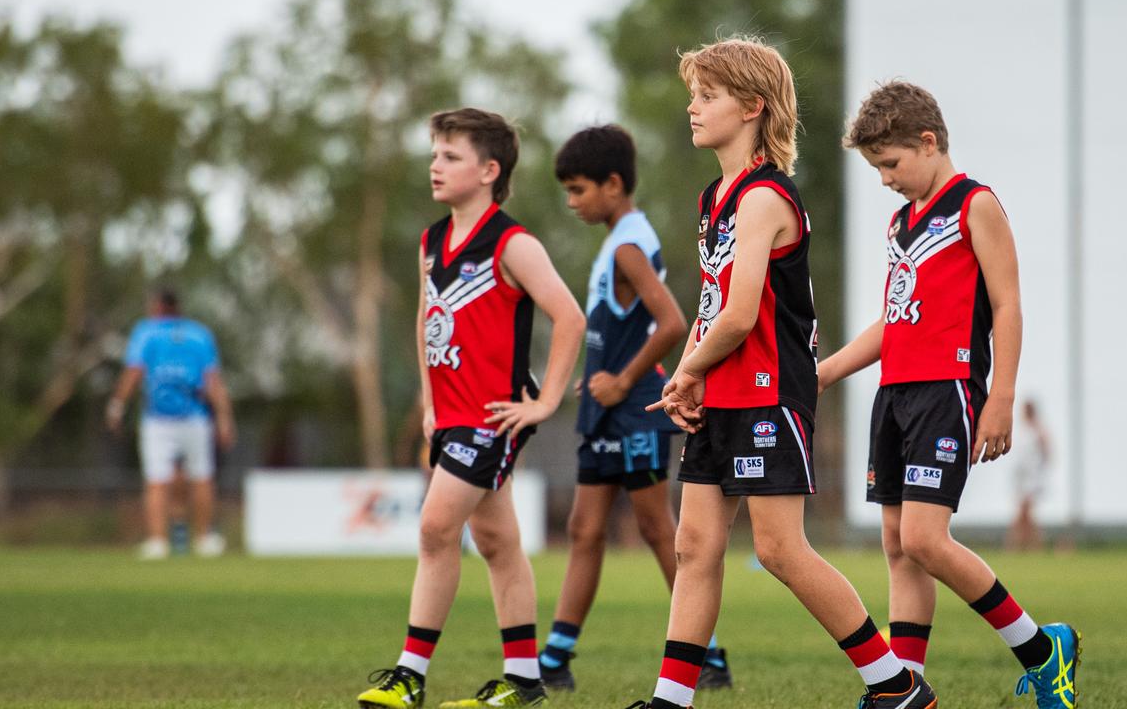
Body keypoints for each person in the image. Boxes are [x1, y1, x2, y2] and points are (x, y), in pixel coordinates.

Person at [629, 38, 936, 709]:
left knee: (779, 551)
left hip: (770, 397)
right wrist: (696, 381)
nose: (693, 107)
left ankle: (897, 686)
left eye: (708, 95)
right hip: (725, 393)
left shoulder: (765, 197)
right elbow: (715, 309)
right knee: (695, 546)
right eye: (695, 94)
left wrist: (683, 372)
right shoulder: (715, 196)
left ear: (752, 108)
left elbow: (739, 319)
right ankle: (670, 701)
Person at [819, 80, 1077, 707]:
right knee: (897, 545)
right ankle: (905, 688)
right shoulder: (900, 223)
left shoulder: (975, 205)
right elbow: (893, 319)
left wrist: (1001, 395)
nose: (884, 179)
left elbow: (1007, 304)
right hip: (895, 395)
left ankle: (1045, 653)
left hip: (948, 391)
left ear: (928, 142)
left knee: (925, 541)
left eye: (890, 164)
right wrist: (826, 372)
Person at [356, 107, 584, 709]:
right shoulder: (432, 240)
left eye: (450, 156)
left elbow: (570, 318)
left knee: (435, 528)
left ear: (488, 170)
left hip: (492, 418)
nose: (435, 165)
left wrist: (545, 403)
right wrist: (429, 402)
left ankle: (410, 676)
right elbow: (428, 318)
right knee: (498, 543)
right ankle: (525, 683)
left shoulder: (514, 243)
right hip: (452, 416)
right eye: (434, 154)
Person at [536, 124, 731, 693]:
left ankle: (708, 656)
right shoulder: (620, 235)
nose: (572, 203)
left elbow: (672, 320)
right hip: (606, 411)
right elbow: (622, 324)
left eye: (578, 190)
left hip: (635, 412)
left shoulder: (627, 243)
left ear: (613, 184)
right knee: (583, 527)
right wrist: (596, 378)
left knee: (654, 527)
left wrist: (622, 381)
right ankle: (555, 658)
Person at [107, 288, 236, 560]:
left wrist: (117, 405)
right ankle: (203, 540)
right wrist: (224, 418)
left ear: (157, 307)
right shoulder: (200, 334)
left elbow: (134, 372)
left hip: (159, 420)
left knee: (157, 481)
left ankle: (158, 542)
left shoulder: (147, 332)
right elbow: (213, 382)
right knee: (201, 478)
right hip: (196, 418)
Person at [1007, 400, 1050, 551]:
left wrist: (1040, 472)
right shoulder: (1023, 430)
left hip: (1032, 478)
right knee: (1025, 513)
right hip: (1022, 477)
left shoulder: (1038, 431)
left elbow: (1047, 452)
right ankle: (1029, 545)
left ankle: (1018, 545)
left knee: (1024, 512)